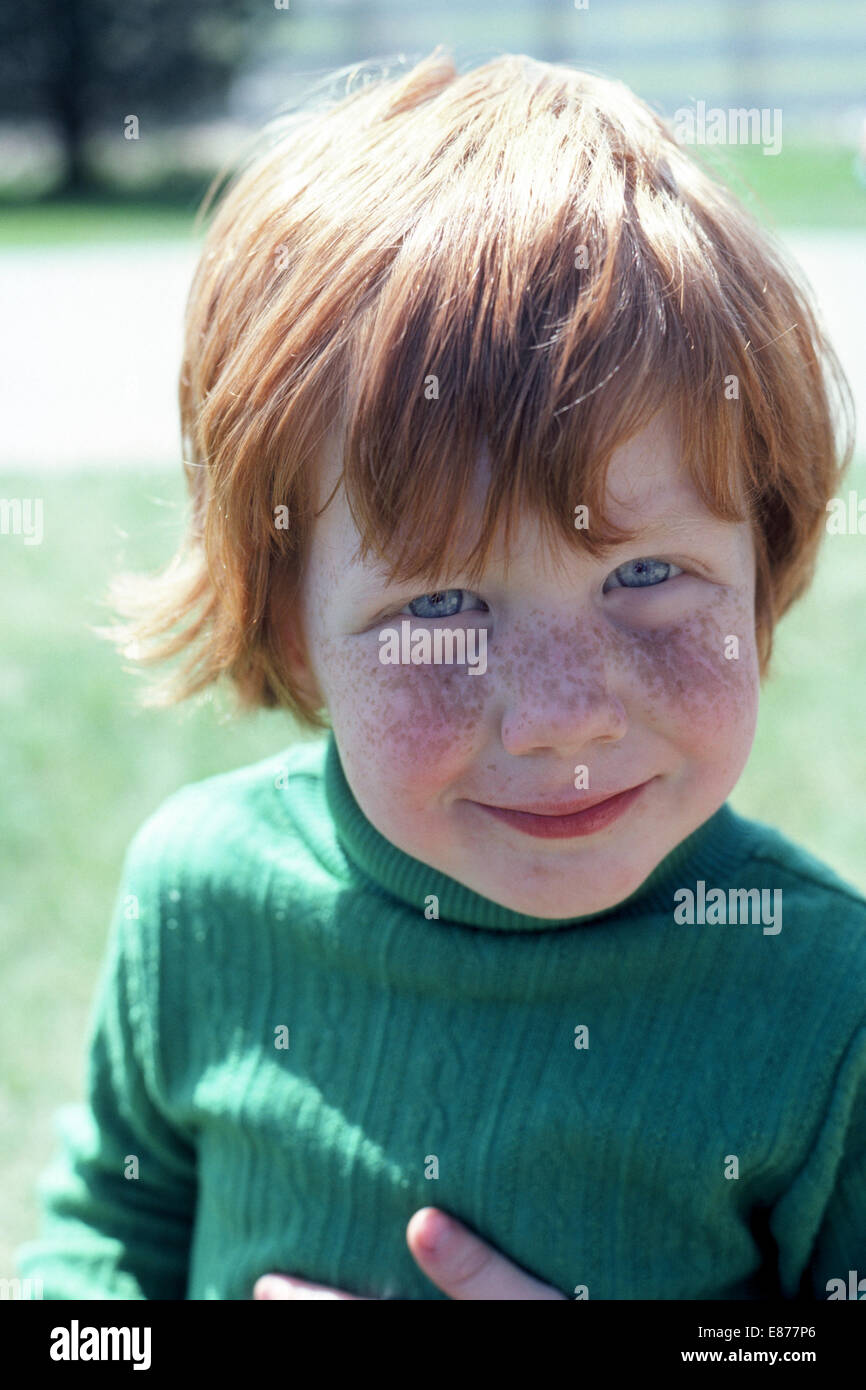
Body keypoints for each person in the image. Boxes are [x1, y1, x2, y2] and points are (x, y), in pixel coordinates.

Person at [16, 46, 864, 1301]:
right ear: (288, 619)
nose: (563, 714)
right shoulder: (199, 904)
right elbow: (97, 1245)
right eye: (443, 606)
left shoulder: (821, 1001)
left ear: (763, 559)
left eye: (644, 577)